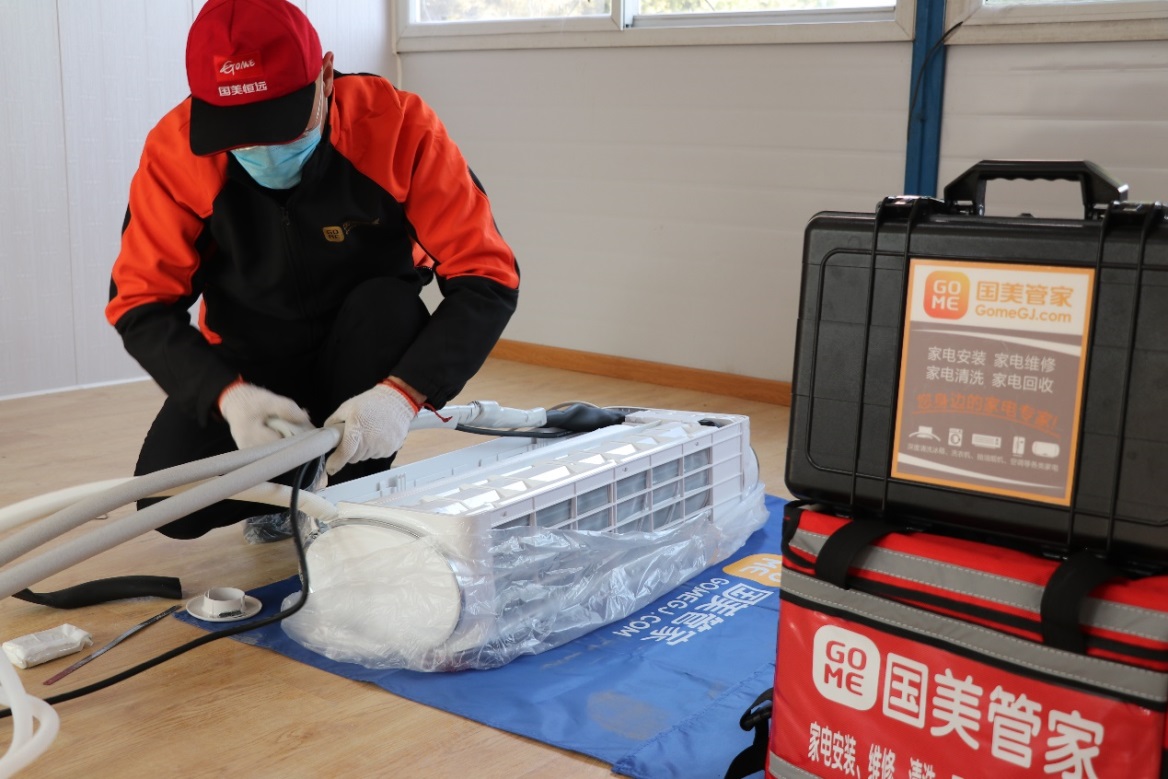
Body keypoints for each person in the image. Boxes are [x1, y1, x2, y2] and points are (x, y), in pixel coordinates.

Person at [105, 0, 519, 541]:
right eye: (239, 132)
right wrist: (229, 397)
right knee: (170, 505)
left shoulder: (398, 127)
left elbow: (488, 276)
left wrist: (403, 393)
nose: (262, 148)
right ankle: (292, 487)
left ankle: (349, 497)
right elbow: (140, 303)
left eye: (281, 125)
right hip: (254, 356)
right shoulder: (175, 152)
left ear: (325, 76)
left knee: (386, 305)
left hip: (366, 349)